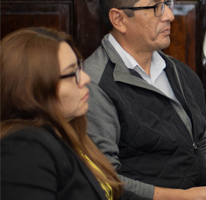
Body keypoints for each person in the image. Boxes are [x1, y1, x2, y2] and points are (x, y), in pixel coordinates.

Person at [85, 0, 206, 200]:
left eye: (167, 3)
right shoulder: (93, 84)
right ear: (119, 19)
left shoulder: (179, 71)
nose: (169, 16)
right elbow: (105, 179)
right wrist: (181, 197)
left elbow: (204, 140)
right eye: (156, 7)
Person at [1, 27, 123, 200]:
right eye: (71, 72)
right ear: (32, 89)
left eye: (79, 66)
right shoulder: (25, 146)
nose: (86, 78)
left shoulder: (68, 132)